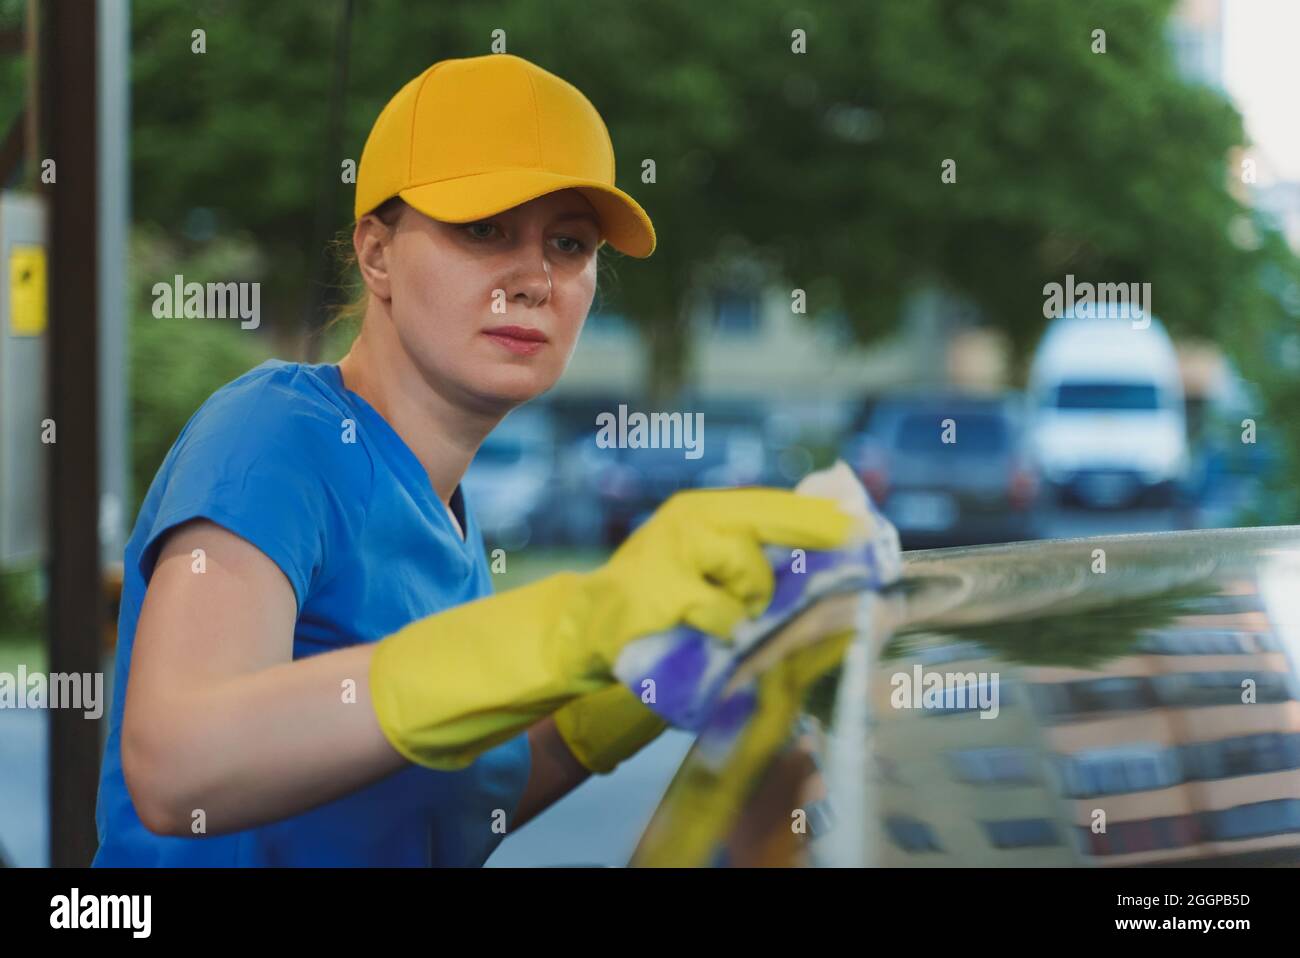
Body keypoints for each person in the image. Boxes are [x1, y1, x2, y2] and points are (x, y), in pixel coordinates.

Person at [92, 52, 854, 866]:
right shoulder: (273, 435)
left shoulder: (450, 517)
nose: (532, 279)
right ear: (377, 254)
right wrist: (567, 628)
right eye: (483, 229)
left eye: (569, 242)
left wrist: (618, 702)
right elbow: (178, 766)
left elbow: (442, 809)